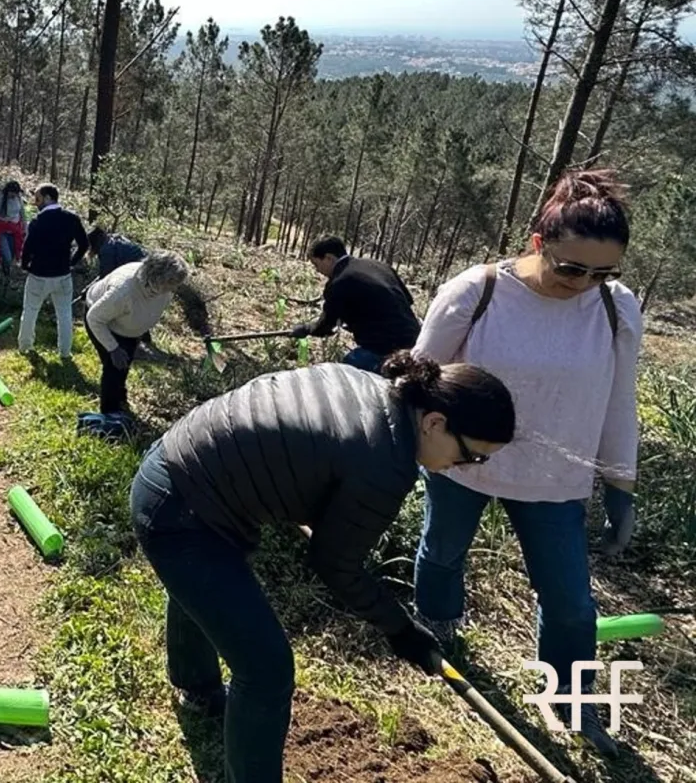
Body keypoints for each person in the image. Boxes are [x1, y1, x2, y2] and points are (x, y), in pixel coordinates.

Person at [132, 354, 515, 783]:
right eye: (471, 457)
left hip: (173, 464)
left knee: (205, 586)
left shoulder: (375, 387)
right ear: (435, 423)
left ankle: (197, 690)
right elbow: (336, 566)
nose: (464, 469)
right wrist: (400, 628)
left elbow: (313, 463)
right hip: (182, 513)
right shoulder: (386, 462)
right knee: (266, 671)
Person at [411, 168, 641, 755]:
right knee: (443, 550)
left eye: (602, 272)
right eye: (571, 268)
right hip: (462, 461)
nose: (584, 283)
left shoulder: (615, 310)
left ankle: (572, 700)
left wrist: (620, 484)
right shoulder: (478, 292)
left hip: (556, 480)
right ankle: (437, 626)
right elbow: (415, 379)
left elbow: (619, 399)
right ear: (539, 242)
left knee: (570, 601)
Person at [290, 236, 420, 373]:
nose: (317, 271)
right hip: (417, 343)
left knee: (346, 373)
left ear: (328, 258)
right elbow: (407, 301)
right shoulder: (380, 266)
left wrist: (306, 329)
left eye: (317, 264)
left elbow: (326, 325)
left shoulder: (339, 282)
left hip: (384, 349)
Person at [85, 252, 189, 415]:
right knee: (114, 369)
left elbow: (148, 308)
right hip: (105, 323)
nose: (175, 289)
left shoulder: (164, 289)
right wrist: (113, 348)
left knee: (123, 367)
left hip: (128, 330)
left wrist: (140, 330)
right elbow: (94, 318)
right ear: (159, 278)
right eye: (172, 283)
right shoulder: (123, 291)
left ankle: (120, 398)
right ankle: (110, 416)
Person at [18, 184, 88, 360]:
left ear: (48, 198)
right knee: (64, 315)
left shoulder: (38, 221)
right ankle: (65, 353)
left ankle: (25, 347)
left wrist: (25, 265)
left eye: (38, 198)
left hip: (39, 275)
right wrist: (72, 262)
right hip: (63, 275)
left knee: (30, 312)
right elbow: (84, 244)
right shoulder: (72, 218)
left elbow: (27, 248)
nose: (36, 203)